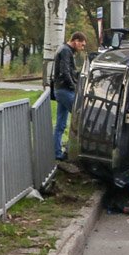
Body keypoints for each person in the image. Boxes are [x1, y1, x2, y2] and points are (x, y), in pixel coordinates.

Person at [52, 31, 87, 160]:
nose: (82, 48)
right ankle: (74, 150)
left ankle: (57, 153)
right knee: (81, 116)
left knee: (61, 124)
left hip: (60, 90)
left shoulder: (63, 49)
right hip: (65, 90)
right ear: (76, 41)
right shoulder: (66, 51)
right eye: (82, 45)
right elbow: (65, 71)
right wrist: (74, 86)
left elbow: (69, 71)